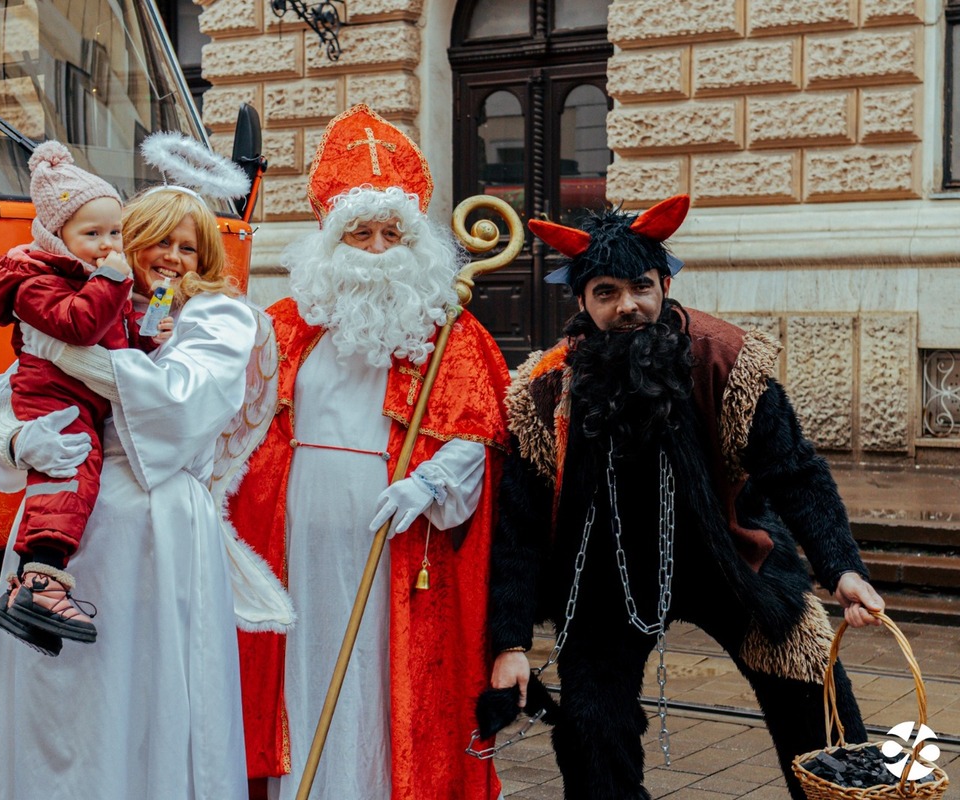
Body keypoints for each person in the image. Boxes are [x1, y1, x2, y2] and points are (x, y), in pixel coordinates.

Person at [486, 195, 887, 800]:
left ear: (665, 283)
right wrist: (511, 642)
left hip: (729, 556)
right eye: (606, 293)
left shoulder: (724, 357)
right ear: (582, 301)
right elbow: (517, 527)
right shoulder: (544, 392)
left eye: (641, 287)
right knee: (594, 728)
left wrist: (842, 568)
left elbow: (795, 471)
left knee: (814, 683)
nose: (628, 306)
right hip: (606, 579)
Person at [0, 132, 291, 800]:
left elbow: (182, 406)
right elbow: (4, 396)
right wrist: (15, 443)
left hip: (157, 530)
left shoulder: (219, 319)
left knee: (142, 692)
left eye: (189, 247)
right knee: (58, 702)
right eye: (159, 242)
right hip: (59, 530)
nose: (173, 258)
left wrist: (73, 356)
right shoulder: (86, 303)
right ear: (127, 240)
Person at [230, 104, 509, 800]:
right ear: (332, 238)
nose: (378, 247)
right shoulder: (284, 326)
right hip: (295, 532)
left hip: (395, 532)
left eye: (392, 233)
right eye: (361, 232)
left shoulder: (449, 330)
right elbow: (234, 424)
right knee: (305, 662)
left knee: (384, 674)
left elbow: (476, 437)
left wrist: (431, 486)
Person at [0, 140, 144, 651]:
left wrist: (143, 327)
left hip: (76, 397)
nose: (106, 244)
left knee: (73, 474)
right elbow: (78, 326)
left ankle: (22, 596)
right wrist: (114, 282)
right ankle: (43, 583)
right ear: (56, 236)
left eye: (114, 232)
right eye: (91, 233)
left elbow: (112, 337)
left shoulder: (87, 277)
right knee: (70, 476)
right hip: (51, 400)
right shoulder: (35, 282)